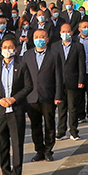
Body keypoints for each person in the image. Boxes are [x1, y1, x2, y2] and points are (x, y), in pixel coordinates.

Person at [0, 35, 32, 175]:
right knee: (2, 146)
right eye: (5, 47)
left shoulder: (21, 65)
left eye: (10, 47)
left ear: (15, 49)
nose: (7, 50)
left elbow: (28, 86)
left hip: (16, 110)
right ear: (1, 50)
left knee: (17, 144)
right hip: (0, 112)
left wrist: (14, 99)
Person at [24, 26, 65, 162]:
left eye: (42, 37)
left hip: (48, 96)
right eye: (36, 38)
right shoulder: (27, 55)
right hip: (32, 97)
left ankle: (48, 150)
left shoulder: (54, 55)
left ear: (47, 40)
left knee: (49, 124)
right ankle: (39, 150)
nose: (39, 40)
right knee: (35, 126)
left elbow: (59, 76)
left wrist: (58, 95)